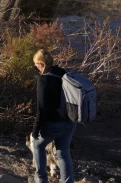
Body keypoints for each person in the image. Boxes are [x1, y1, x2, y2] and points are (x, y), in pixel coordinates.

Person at [31, 49, 76, 183]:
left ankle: (41, 179)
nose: (36, 67)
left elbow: (42, 108)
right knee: (63, 154)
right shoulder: (64, 73)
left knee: (37, 146)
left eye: (36, 64)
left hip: (52, 125)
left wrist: (35, 130)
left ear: (41, 63)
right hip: (69, 123)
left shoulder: (43, 80)